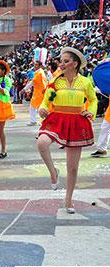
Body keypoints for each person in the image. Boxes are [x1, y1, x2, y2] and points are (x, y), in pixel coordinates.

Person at [36, 47, 97, 214]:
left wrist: (90, 112)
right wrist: (42, 108)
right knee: (42, 143)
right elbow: (45, 99)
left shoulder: (85, 82)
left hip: (77, 121)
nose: (61, 64)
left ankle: (68, 200)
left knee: (73, 168)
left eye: (66, 61)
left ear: (75, 64)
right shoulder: (55, 81)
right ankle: (53, 172)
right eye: (61, 61)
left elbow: (93, 100)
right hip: (57, 118)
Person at [23, 61, 47, 126]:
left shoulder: (39, 73)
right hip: (39, 92)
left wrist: (24, 89)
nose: (35, 66)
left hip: (39, 93)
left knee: (35, 107)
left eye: (36, 65)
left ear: (40, 66)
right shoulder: (40, 72)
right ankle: (40, 121)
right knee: (36, 106)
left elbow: (32, 82)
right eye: (34, 64)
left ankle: (37, 121)